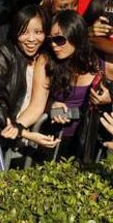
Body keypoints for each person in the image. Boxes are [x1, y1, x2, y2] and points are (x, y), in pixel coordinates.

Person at [14, 10, 101, 159]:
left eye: (60, 40)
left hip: (87, 140)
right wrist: (15, 128)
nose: (54, 45)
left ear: (76, 36)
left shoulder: (96, 62)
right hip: (53, 137)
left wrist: (107, 98)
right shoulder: (46, 61)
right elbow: (36, 106)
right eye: (50, 40)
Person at [0, 5, 60, 149]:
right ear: (15, 32)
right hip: (3, 134)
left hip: (28, 136)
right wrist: (19, 130)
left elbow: (37, 98)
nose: (31, 39)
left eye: (38, 32)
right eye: (24, 32)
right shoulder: (5, 54)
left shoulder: (46, 58)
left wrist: (52, 103)